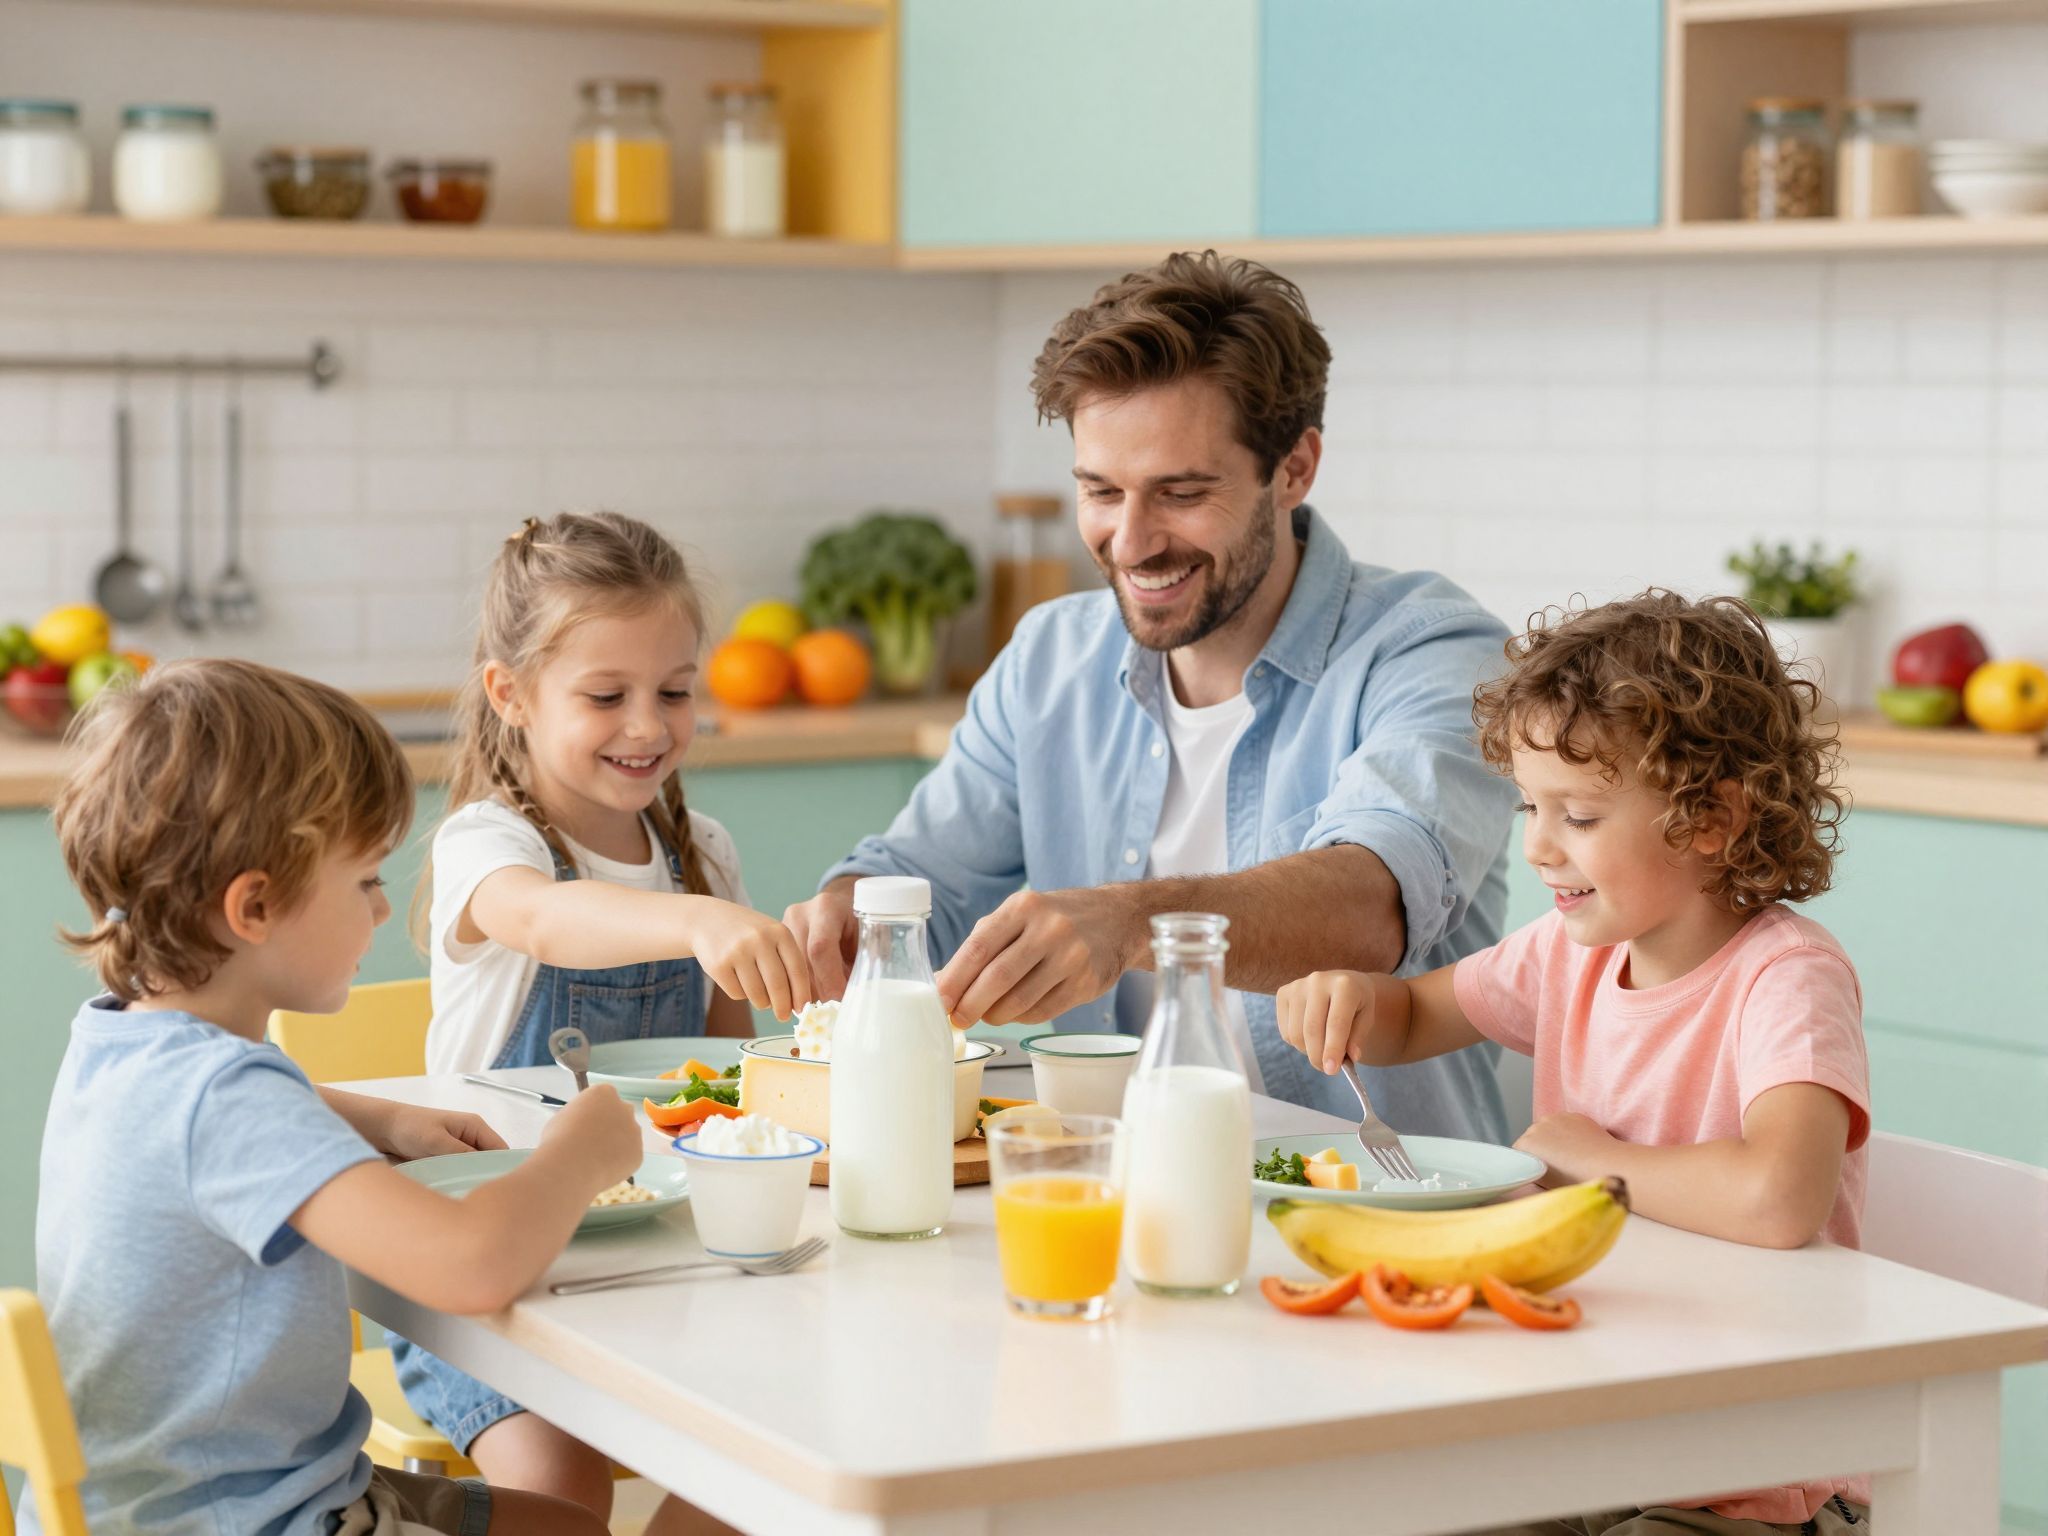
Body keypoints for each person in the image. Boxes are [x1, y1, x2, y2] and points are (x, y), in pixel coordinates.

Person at [786, 251, 1516, 1138]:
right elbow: (926, 879)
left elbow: (1371, 902)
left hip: (1377, 1207)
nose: (1131, 542)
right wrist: (854, 915)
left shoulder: (1433, 650)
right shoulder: (1049, 657)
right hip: (1110, 1190)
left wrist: (1132, 920)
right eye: (1100, 491)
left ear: (1294, 469)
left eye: (1180, 492)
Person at [1278, 590, 1871, 1534]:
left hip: (1749, 1475)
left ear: (1710, 819)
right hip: (1589, 1436)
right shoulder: (1574, 952)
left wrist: (1592, 1157)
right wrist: (1351, 995)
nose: (1539, 844)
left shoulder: (1787, 979)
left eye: (1581, 816)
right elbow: (1409, 1017)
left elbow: (1779, 1196)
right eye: (1529, 804)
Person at [34, 658, 635, 1536]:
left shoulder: (119, 1040)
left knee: (568, 1526)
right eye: (365, 882)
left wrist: (382, 1118)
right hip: (259, 1520)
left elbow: (214, 1125)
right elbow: (470, 1265)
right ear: (255, 906)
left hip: (158, 1508)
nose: (383, 913)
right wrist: (580, 1155)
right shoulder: (228, 1100)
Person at [400, 510, 804, 1527]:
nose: (646, 725)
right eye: (605, 695)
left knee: (777, 1468)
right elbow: (543, 923)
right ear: (512, 695)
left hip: (654, 1258)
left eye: (673, 691)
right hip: (488, 1284)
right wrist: (697, 919)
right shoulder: (487, 845)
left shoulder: (698, 847)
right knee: (564, 1490)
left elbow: (721, 1078)